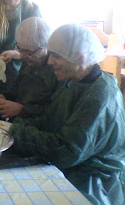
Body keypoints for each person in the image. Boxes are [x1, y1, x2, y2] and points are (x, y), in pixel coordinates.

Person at [8, 23, 125, 204]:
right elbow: (51, 117)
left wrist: (14, 133)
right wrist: (12, 126)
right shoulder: (74, 81)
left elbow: (66, 151)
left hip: (93, 181)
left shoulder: (99, 97)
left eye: (56, 56)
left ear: (79, 57)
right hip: (71, 167)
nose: (49, 61)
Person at [0, 17, 58, 119]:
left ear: (46, 47)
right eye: (19, 49)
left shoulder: (58, 69)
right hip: (19, 125)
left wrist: (22, 109)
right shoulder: (28, 61)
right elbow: (17, 92)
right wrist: (5, 98)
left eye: (28, 52)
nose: (22, 56)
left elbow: (55, 112)